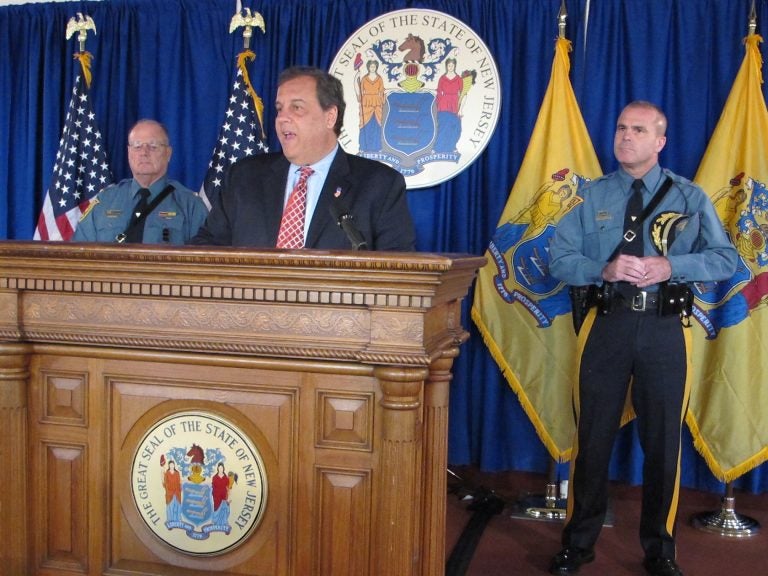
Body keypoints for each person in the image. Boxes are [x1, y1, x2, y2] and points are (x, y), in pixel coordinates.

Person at [548, 101, 737, 576]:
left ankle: (660, 550)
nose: (625, 136)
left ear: (660, 141)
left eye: (637, 130)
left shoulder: (689, 197)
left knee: (662, 446)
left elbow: (726, 260)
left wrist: (672, 265)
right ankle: (578, 544)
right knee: (591, 440)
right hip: (606, 325)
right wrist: (602, 269)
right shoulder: (592, 197)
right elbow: (558, 258)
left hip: (663, 329)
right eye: (620, 128)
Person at [190, 66, 416, 250]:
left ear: (330, 117)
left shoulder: (379, 185)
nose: (282, 118)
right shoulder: (243, 177)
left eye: (296, 108)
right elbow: (206, 249)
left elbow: (398, 268)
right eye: (279, 109)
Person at [72, 119, 208, 244]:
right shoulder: (104, 201)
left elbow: (202, 262)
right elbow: (79, 254)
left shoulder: (190, 206)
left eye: (153, 146)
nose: (144, 152)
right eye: (137, 146)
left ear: (168, 153)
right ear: (129, 152)